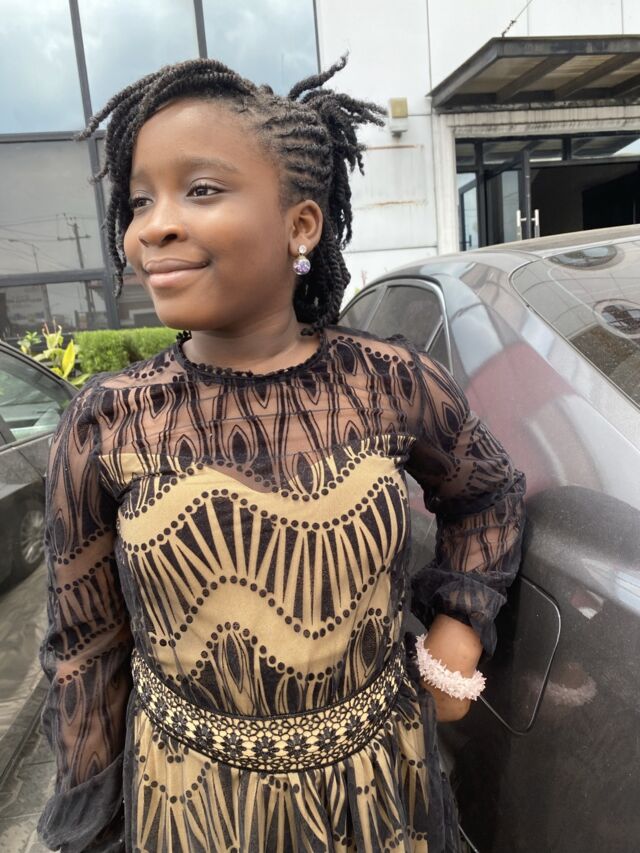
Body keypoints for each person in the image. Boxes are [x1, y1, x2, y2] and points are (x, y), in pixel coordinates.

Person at [36, 55, 526, 853]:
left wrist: (460, 629)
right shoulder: (106, 423)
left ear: (301, 225)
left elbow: (490, 495)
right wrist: (92, 831)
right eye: (140, 200)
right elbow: (85, 651)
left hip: (380, 794)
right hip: (193, 808)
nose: (153, 225)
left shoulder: (389, 383)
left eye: (200, 189)